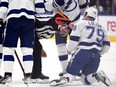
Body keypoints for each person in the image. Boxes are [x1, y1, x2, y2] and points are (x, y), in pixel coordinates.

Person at [49, 7, 112, 87]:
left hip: (82, 53)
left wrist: (69, 49)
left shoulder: (80, 23)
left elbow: (74, 40)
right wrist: (100, 53)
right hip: (96, 56)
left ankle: (65, 79)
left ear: (86, 14)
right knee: (86, 80)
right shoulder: (102, 28)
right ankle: (96, 76)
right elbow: (107, 45)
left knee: (70, 74)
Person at [0, 0, 45, 84]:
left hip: (12, 19)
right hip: (29, 20)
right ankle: (28, 76)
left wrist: (1, 18)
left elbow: (3, 5)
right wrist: (40, 22)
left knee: (8, 49)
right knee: (27, 50)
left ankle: (8, 75)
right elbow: (40, 8)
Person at [45, 0, 88, 77]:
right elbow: (47, 7)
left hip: (76, 23)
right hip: (60, 23)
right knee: (60, 46)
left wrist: (86, 17)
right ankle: (65, 69)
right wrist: (55, 3)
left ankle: (74, 69)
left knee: (77, 47)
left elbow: (84, 6)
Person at [32, 12, 72, 83]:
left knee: (37, 49)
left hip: (29, 32)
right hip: (27, 21)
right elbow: (59, 14)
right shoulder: (55, 21)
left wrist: (40, 49)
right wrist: (69, 23)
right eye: (65, 28)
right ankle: (35, 73)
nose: (64, 30)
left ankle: (35, 74)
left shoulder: (50, 35)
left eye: (66, 32)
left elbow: (36, 37)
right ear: (63, 24)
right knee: (37, 49)